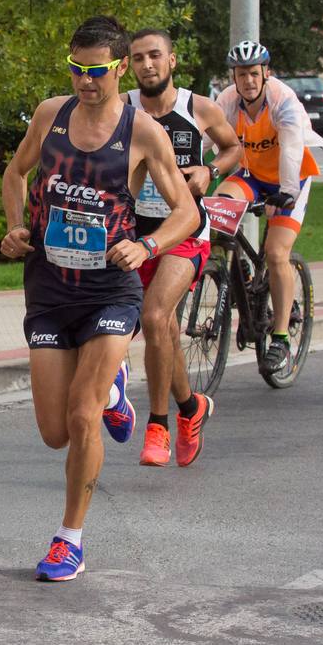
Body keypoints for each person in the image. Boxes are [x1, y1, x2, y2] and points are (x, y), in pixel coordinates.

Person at [0, 15, 198, 582]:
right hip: (48, 285)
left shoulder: (142, 132)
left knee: (82, 416)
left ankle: (70, 539)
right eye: (77, 70)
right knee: (54, 431)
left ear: (119, 69)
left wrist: (148, 244)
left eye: (98, 71)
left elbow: (186, 211)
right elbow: (15, 173)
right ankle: (114, 391)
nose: (87, 82)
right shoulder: (49, 115)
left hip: (110, 287)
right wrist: (15, 226)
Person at [124, 29, 242, 468]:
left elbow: (234, 149)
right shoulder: (124, 110)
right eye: (138, 58)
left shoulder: (199, 108)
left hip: (185, 231)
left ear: (172, 61)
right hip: (134, 234)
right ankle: (191, 407)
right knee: (164, 332)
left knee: (155, 317)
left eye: (155, 55)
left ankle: (158, 426)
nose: (147, 64)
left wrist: (209, 170)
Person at [212, 41, 323, 376]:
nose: (247, 80)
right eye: (241, 74)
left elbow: (292, 149)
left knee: (277, 254)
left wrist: (287, 193)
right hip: (251, 175)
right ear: (233, 77)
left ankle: (280, 337)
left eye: (253, 73)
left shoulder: (283, 101)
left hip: (291, 179)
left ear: (266, 73)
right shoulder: (227, 102)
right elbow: (207, 141)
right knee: (218, 213)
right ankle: (242, 279)